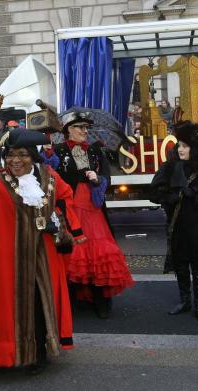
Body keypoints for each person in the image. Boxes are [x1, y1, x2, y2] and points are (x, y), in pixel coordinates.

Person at [0, 129, 83, 379]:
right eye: (10, 155)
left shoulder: (50, 179)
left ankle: (37, 354)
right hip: (7, 260)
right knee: (2, 309)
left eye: (22, 155)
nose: (15, 160)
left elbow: (66, 203)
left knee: (38, 306)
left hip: (42, 258)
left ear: (34, 157)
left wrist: (57, 223)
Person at [53, 111, 133, 318]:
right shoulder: (58, 151)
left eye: (86, 127)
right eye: (80, 127)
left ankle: (101, 301)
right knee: (72, 254)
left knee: (99, 253)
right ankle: (72, 300)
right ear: (68, 130)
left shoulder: (97, 151)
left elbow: (107, 176)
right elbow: (52, 177)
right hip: (69, 208)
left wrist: (97, 178)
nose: (84, 131)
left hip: (93, 210)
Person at [149, 122, 198, 322]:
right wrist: (170, 196)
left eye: (184, 146)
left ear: (196, 149)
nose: (180, 149)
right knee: (181, 265)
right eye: (179, 145)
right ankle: (185, 301)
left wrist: (195, 194)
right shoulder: (171, 167)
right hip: (178, 226)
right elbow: (154, 192)